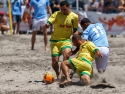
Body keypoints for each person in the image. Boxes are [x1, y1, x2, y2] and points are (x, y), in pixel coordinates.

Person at [45, 1, 78, 78]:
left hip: (66, 40)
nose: (63, 11)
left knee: (66, 56)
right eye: (61, 9)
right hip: (55, 41)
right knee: (55, 61)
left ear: (68, 7)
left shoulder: (74, 17)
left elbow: (75, 29)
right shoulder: (57, 14)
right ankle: (57, 73)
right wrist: (48, 24)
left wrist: (76, 38)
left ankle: (61, 75)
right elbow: (50, 21)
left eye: (64, 9)